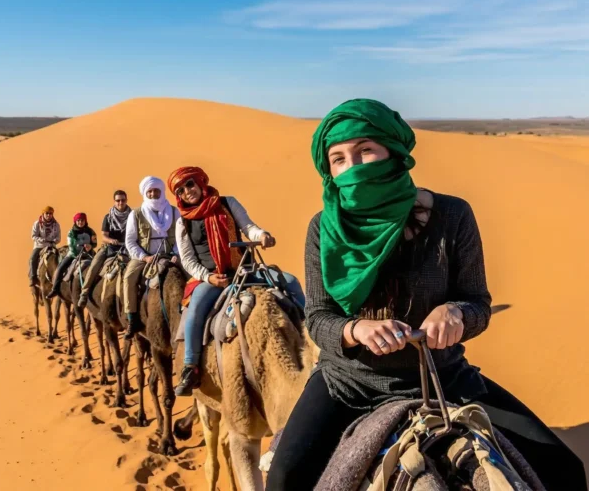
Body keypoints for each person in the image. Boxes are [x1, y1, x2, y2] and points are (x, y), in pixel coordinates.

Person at [265, 99, 586, 491]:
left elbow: (478, 303)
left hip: (442, 376)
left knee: (565, 470)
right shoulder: (323, 229)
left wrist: (455, 312)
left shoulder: (453, 216)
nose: (353, 168)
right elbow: (317, 317)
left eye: (365, 151)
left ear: (393, 152)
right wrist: (355, 329)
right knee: (283, 479)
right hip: (347, 382)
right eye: (339, 159)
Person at [168, 166, 304, 396]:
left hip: (245, 270)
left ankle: (313, 331)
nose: (187, 191)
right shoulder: (183, 222)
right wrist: (208, 277)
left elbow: (248, 226)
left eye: (190, 184)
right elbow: (188, 260)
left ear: (200, 182)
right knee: (196, 309)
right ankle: (190, 367)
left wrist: (261, 236)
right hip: (212, 278)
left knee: (289, 281)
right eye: (181, 190)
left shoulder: (227, 203)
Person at [123, 176, 180, 338]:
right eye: (150, 191)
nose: (153, 194)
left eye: (156, 190)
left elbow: (180, 237)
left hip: (170, 255)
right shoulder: (136, 214)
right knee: (128, 278)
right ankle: (132, 318)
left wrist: (175, 253)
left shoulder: (174, 212)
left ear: (161, 191)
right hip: (145, 257)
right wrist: (144, 257)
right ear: (145, 193)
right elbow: (130, 241)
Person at [77, 190, 131, 308]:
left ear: (126, 200)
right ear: (114, 202)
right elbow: (103, 236)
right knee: (94, 266)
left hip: (129, 248)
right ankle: (84, 293)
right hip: (110, 248)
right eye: (118, 200)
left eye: (123, 200)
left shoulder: (133, 216)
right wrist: (111, 240)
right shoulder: (108, 217)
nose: (120, 203)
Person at [46, 213, 97, 299]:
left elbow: (95, 243)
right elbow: (71, 246)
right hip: (73, 255)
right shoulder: (71, 232)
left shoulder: (91, 231)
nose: (80, 222)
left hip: (89, 254)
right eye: (78, 221)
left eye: (82, 220)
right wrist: (79, 252)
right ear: (75, 221)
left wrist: (91, 246)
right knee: (60, 268)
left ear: (85, 221)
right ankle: (55, 289)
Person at [29, 206, 61, 287]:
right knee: (32, 258)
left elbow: (58, 237)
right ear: (43, 213)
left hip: (51, 246)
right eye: (47, 213)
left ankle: (60, 278)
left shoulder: (56, 224)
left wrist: (54, 241)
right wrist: (41, 239)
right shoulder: (37, 223)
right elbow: (33, 236)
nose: (49, 215)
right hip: (40, 246)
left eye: (50, 213)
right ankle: (33, 278)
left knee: (61, 258)